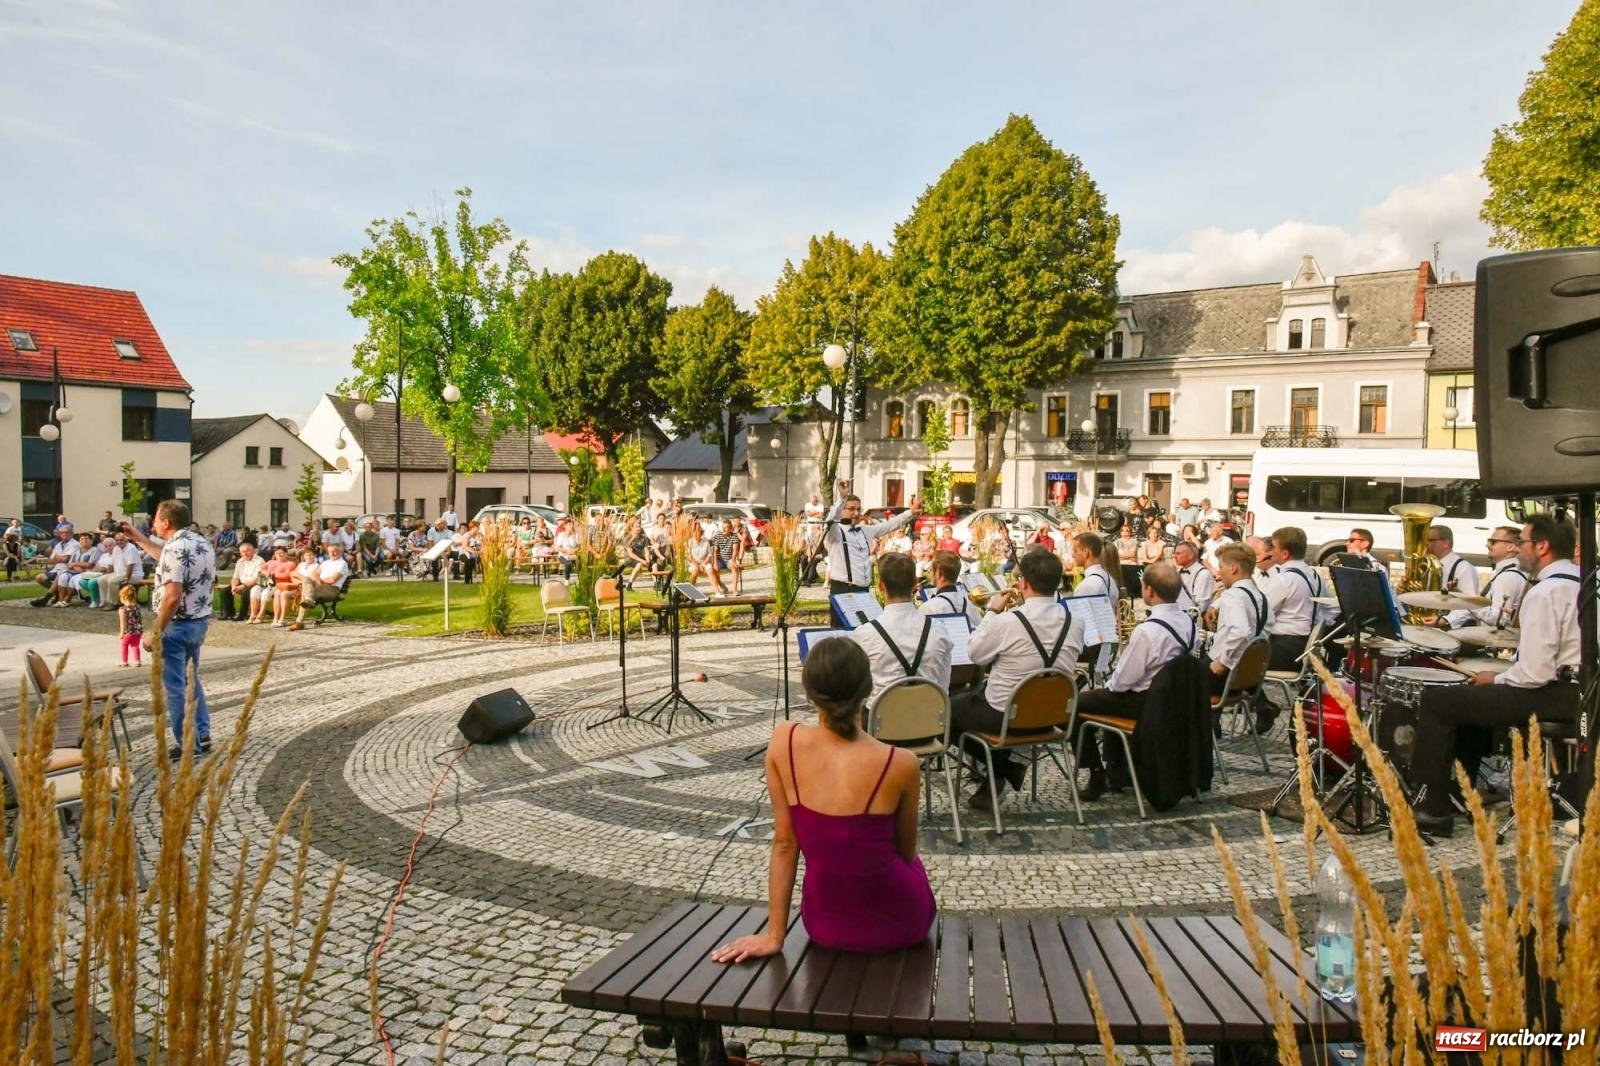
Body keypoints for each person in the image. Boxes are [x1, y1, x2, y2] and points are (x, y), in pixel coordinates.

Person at [710, 639, 934, 960]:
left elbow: (785, 844)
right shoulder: (900, 762)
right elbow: (906, 851)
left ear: (808, 692)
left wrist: (775, 935)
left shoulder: (783, 742)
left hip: (826, 926)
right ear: (869, 689)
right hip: (902, 924)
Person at [1410, 516, 1581, 837]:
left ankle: (1432, 809)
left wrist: (1496, 678)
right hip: (1584, 692)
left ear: (1542, 547)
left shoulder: (1546, 592)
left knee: (1437, 701)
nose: (1519, 552)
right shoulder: (1584, 582)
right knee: (1470, 703)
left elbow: (1534, 673)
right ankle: (1462, 791)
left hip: (1558, 694)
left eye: (1524, 544)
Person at [956, 547, 1085, 809]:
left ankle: (1002, 768)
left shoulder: (1007, 622)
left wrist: (992, 613)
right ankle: (1004, 771)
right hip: (1053, 714)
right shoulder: (1077, 621)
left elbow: (975, 654)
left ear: (1023, 582)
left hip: (1006, 716)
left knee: (947, 710)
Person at [1076, 563, 1197, 800]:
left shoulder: (1147, 631)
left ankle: (1096, 771)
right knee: (1108, 699)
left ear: (1149, 591)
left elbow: (1122, 682)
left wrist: (1108, 686)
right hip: (1175, 700)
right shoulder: (1189, 623)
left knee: (1077, 703)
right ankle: (1118, 770)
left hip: (1147, 703)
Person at [124, 500, 216, 760]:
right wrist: (138, 538)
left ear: (166, 522)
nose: (153, 522)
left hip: (177, 625)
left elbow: (172, 597)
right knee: (191, 678)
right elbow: (166, 558)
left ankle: (188, 744)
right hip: (198, 622)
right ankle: (202, 733)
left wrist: (155, 630)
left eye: (155, 518)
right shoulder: (199, 542)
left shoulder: (175, 549)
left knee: (175, 688)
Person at [851, 552, 953, 696]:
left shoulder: (864, 635)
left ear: (881, 587)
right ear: (914, 585)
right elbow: (943, 687)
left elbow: (857, 689)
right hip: (929, 715)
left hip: (881, 716)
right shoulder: (938, 630)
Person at [822, 481, 920, 623]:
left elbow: (891, 524)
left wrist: (910, 512)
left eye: (859, 509)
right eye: (851, 509)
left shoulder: (866, 531)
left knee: (866, 631)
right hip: (843, 590)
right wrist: (841, 498)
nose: (856, 513)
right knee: (843, 634)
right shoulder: (835, 533)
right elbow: (830, 520)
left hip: (863, 591)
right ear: (843, 510)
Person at [1203, 544, 1272, 699]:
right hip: (1246, 675)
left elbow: (1241, 633)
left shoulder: (1233, 595)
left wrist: (1223, 663)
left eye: (1221, 567)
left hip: (1224, 675)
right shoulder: (1261, 596)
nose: (1219, 573)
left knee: (1174, 677)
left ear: (1233, 568)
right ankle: (1261, 702)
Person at [1462, 526, 1529, 629]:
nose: (1487, 545)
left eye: (1493, 542)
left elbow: (1499, 618)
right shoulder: (1510, 573)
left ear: (1510, 547)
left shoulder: (1507, 577)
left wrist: (1469, 602)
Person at [288, 542, 350, 631]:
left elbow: (332, 580)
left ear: (340, 552)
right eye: (330, 552)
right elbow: (314, 575)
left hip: (332, 589)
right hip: (320, 587)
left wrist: (319, 580)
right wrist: (317, 581)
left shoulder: (342, 564)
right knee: (306, 580)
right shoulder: (325, 562)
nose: (332, 553)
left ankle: (299, 622)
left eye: (335, 551)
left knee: (307, 593)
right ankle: (308, 600)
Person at [920, 550, 981, 629]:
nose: (930, 573)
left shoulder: (928, 608)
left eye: (931, 570)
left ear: (939, 574)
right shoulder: (971, 606)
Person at [1426, 525, 1480, 600]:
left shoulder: (1463, 568)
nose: (1425, 544)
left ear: (1446, 544)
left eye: (1430, 540)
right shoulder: (1427, 566)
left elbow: (1468, 604)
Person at [219, 541, 263, 622]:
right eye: (243, 552)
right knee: (224, 591)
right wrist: (234, 587)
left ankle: (242, 615)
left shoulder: (259, 561)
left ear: (253, 551)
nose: (245, 553)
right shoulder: (240, 561)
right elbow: (235, 577)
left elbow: (258, 579)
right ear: (240, 552)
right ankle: (229, 613)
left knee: (245, 592)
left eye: (247, 551)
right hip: (242, 583)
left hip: (255, 584)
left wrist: (243, 586)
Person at [1173, 541, 1216, 613]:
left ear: (1190, 555)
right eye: (1175, 553)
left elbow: (1201, 605)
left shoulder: (1203, 574)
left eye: (1178, 553)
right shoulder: (1176, 572)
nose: (1174, 556)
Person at [712, 519, 744, 596]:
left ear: (730, 529)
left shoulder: (734, 536)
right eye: (722, 527)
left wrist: (733, 561)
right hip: (719, 559)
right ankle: (722, 586)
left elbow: (735, 550)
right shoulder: (718, 535)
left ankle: (734, 590)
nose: (723, 529)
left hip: (729, 559)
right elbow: (715, 551)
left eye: (725, 528)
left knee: (734, 567)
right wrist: (715, 563)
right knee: (713, 569)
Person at [116, 584, 144, 667]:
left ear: (123, 597)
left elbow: (123, 622)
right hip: (138, 630)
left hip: (128, 631)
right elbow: (139, 618)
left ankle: (124, 661)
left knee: (124, 645)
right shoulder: (137, 607)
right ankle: (137, 660)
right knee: (135, 645)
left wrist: (122, 633)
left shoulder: (123, 609)